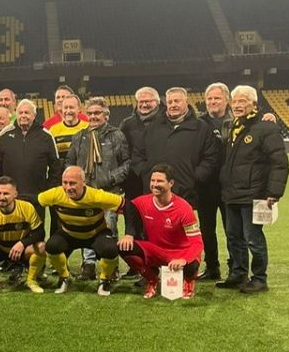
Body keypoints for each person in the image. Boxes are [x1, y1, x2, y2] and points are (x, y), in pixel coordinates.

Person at [217, 85, 289, 294]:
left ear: (253, 104)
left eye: (242, 101)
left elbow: (279, 162)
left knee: (253, 239)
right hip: (232, 194)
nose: (237, 105)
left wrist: (274, 192)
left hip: (255, 195)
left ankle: (259, 278)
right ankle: (239, 274)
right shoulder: (233, 126)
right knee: (234, 237)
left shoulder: (266, 127)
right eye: (235, 101)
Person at [64, 97, 130, 279]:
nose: (93, 116)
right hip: (85, 194)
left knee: (109, 230)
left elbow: (126, 163)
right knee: (87, 229)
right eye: (90, 113)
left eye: (97, 113)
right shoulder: (79, 137)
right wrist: (74, 180)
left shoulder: (116, 135)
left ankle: (111, 266)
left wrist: (110, 178)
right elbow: (69, 162)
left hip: (108, 193)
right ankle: (89, 265)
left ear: (106, 115)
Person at [118, 164, 204, 299]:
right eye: (152, 181)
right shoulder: (141, 202)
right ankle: (152, 280)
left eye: (159, 181)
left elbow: (197, 242)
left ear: (171, 183)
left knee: (192, 262)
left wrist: (184, 259)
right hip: (156, 251)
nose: (154, 184)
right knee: (124, 248)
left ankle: (188, 281)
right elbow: (122, 205)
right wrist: (129, 234)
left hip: (180, 252)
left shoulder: (184, 208)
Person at [38, 166, 121, 296]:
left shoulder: (97, 196)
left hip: (95, 234)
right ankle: (65, 277)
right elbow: (34, 201)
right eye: (65, 183)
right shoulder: (55, 194)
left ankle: (104, 279)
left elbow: (127, 206)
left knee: (111, 249)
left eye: (72, 183)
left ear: (83, 182)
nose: (68, 187)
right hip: (69, 233)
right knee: (51, 246)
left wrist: (130, 234)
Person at [139, 86, 220, 207]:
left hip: (188, 194)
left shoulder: (201, 128)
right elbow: (138, 154)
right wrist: (146, 174)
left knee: (185, 225)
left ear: (187, 102)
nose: (173, 105)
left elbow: (211, 157)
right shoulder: (153, 127)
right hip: (156, 194)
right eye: (170, 102)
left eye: (177, 101)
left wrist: (194, 178)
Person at [0, 176, 47, 296]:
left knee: (42, 247)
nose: (1, 197)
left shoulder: (26, 208)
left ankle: (31, 280)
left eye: (6, 193)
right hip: (0, 250)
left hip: (20, 250)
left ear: (15, 194)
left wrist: (22, 243)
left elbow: (40, 233)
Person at [0, 99, 60, 201]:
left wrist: (47, 190)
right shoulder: (4, 136)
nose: (23, 115)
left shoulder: (46, 136)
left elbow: (55, 167)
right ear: (16, 114)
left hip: (36, 197)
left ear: (34, 115)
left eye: (27, 113)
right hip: (10, 198)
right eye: (20, 113)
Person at [198, 82, 233, 279]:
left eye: (217, 98)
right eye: (209, 99)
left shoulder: (237, 120)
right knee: (207, 230)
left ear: (226, 100)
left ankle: (235, 268)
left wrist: (269, 117)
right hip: (206, 186)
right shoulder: (199, 123)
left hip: (230, 186)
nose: (212, 102)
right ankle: (212, 267)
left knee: (232, 230)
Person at [121, 86, 163, 203]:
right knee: (134, 215)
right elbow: (123, 151)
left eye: (148, 101)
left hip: (161, 176)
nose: (144, 105)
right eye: (141, 102)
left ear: (157, 102)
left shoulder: (166, 121)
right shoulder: (127, 124)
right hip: (134, 179)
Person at [47, 92, 88, 163]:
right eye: (65, 108)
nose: (68, 111)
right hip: (62, 173)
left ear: (79, 109)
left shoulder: (88, 128)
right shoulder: (53, 130)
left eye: (71, 107)